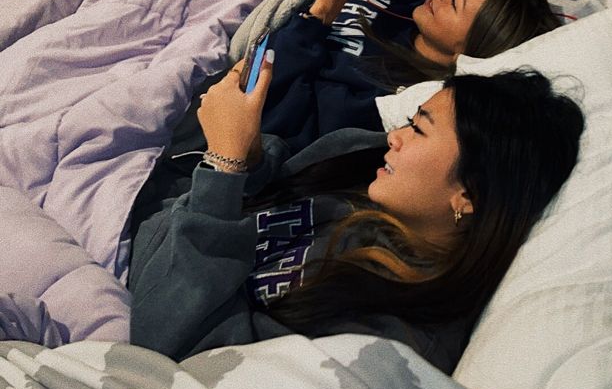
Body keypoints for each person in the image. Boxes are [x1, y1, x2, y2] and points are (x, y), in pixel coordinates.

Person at [128, 54, 584, 367]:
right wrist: (242, 156)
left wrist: (223, 170)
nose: (394, 138)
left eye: (419, 131)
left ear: (470, 195)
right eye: (408, 121)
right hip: (157, 205)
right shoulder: (362, 161)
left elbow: (173, 346)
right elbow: (275, 178)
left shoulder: (396, 330)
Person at [163, 0, 560, 154]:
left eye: (456, 1)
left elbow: (269, 111)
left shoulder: (390, 97)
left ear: (470, 50)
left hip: (223, 87)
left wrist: (321, 15)